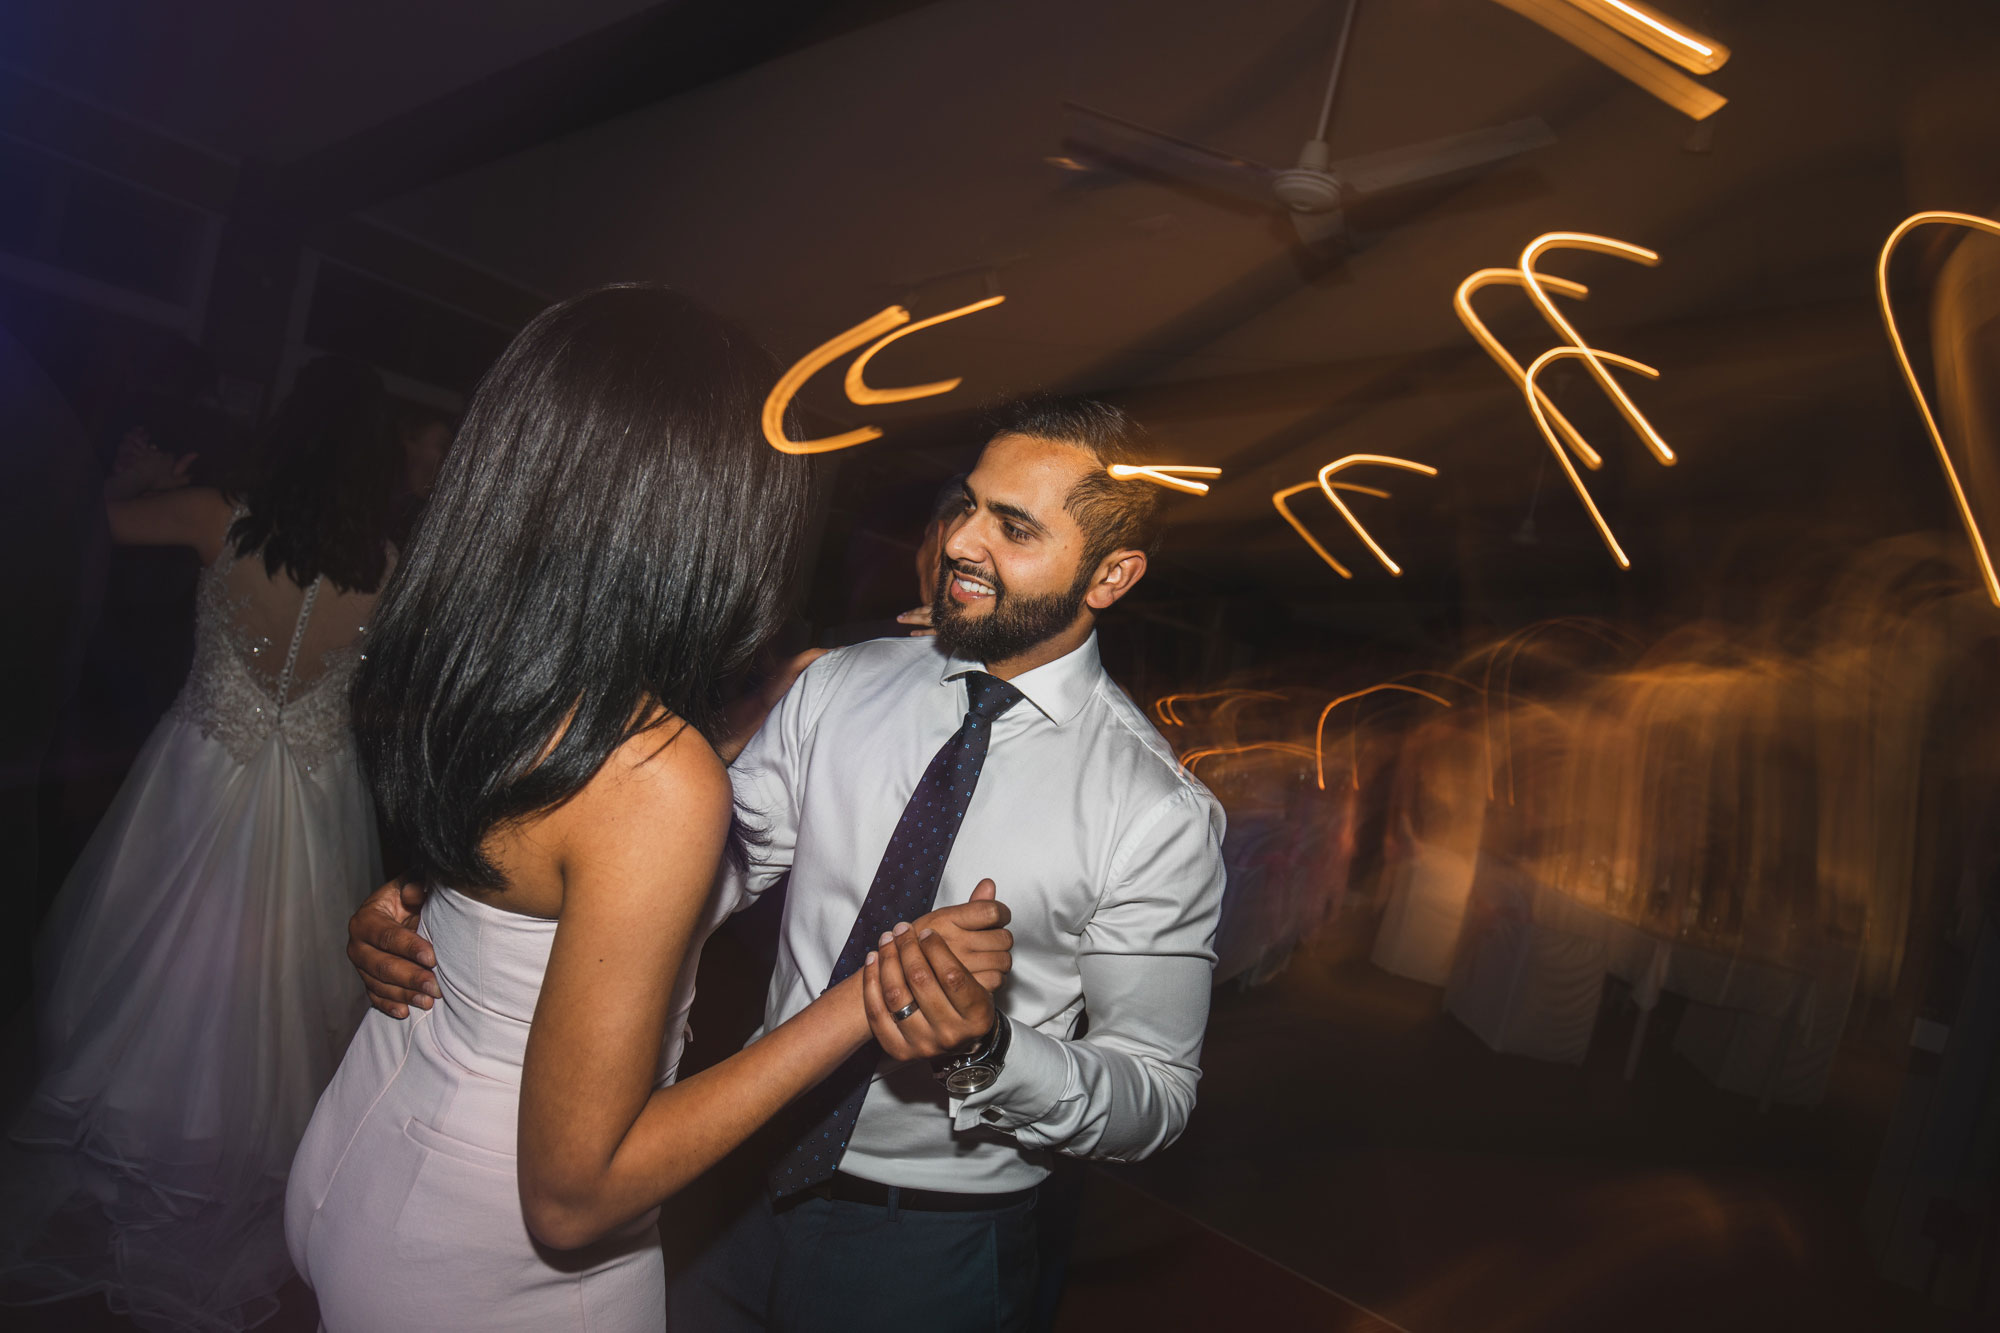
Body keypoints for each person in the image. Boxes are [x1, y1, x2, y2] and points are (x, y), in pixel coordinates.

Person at [351, 395, 1229, 1333]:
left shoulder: (1156, 812)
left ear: (1112, 574)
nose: (962, 542)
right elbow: (703, 873)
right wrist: (478, 895)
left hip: (928, 1247)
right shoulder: (841, 683)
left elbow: (1155, 1092)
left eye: (1012, 527)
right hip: (728, 1179)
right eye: (966, 504)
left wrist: (988, 1049)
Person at [283, 284, 1015, 1332]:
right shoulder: (652, 774)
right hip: (488, 1254)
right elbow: (576, 1197)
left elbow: (513, 872)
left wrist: (410, 896)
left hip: (364, 1146)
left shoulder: (470, 664)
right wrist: (863, 999)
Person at [1, 356, 403, 1332]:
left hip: (192, 782)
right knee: (269, 1001)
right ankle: (215, 1174)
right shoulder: (392, 566)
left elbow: (71, 530)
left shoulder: (215, 515)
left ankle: (123, 1176)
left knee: (151, 984)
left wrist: (131, 479)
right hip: (315, 803)